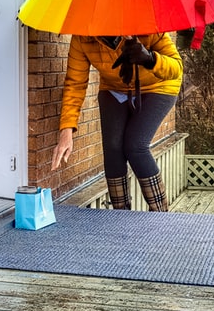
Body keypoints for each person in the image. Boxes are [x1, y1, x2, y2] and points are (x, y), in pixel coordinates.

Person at [51, 33, 183, 211]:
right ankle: (120, 215)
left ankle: (160, 214)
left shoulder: (146, 27)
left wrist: (150, 59)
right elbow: (75, 84)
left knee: (135, 145)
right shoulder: (82, 37)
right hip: (114, 88)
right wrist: (66, 130)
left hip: (158, 86)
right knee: (113, 148)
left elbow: (176, 67)